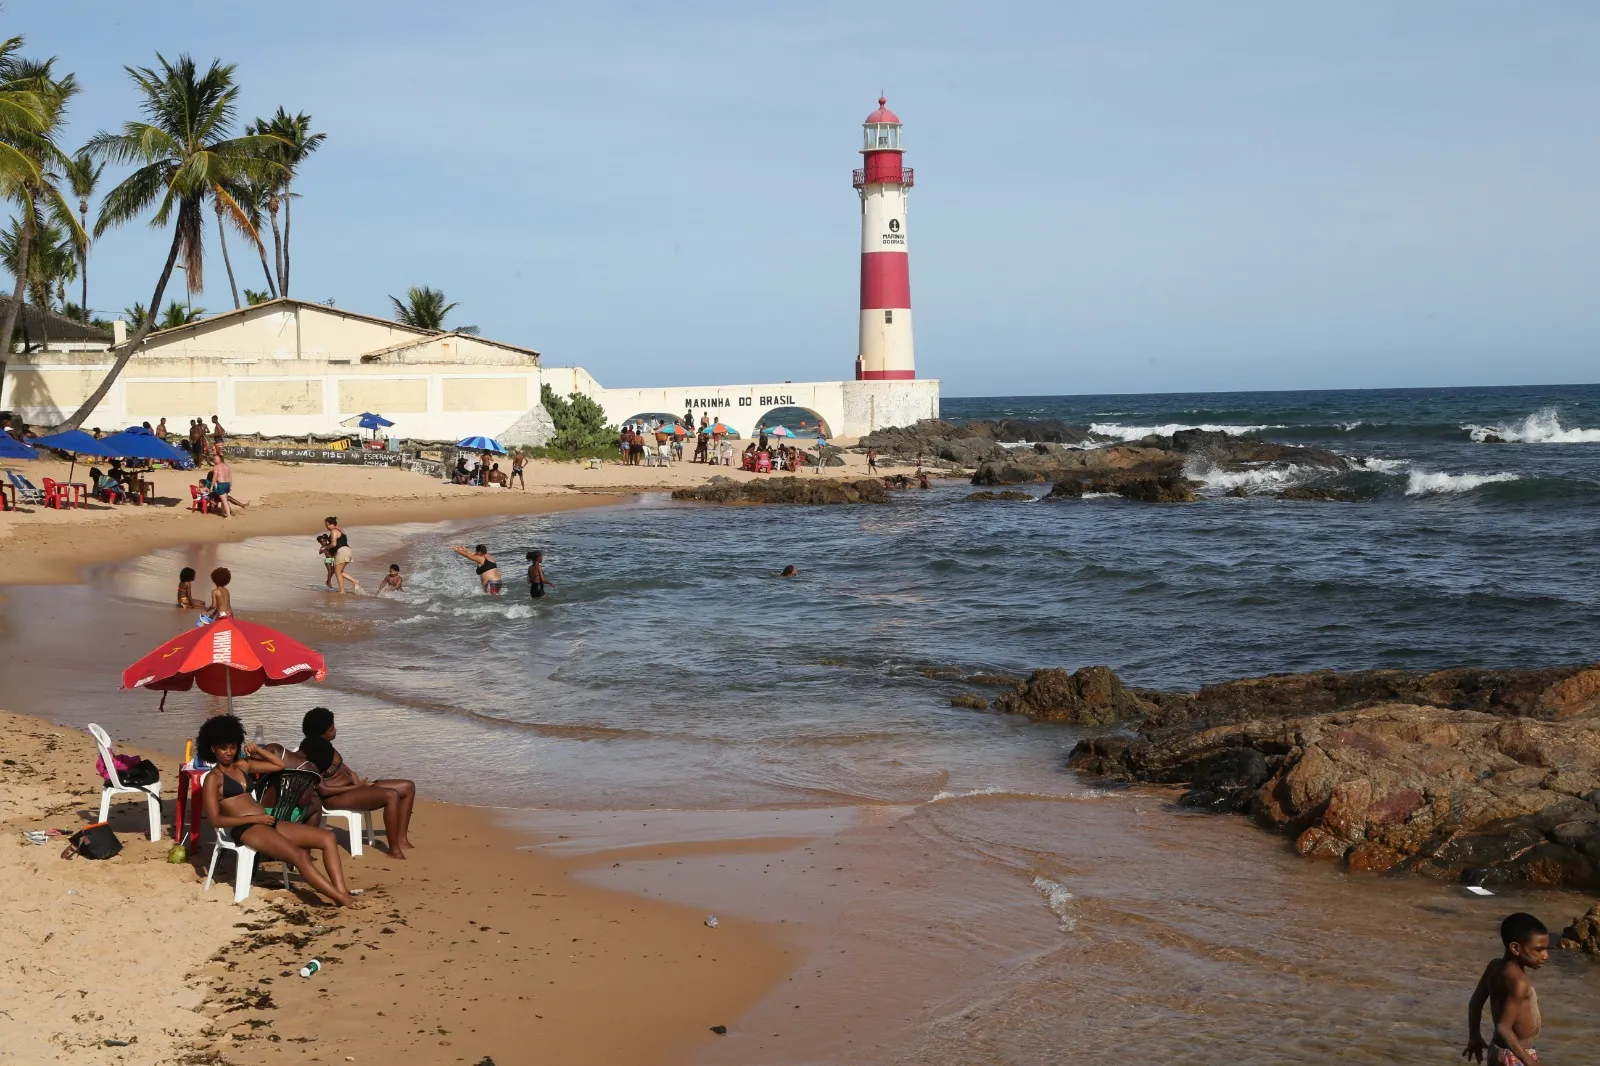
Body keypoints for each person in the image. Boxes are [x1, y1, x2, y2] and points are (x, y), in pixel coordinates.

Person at [197, 713, 354, 906]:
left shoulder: (242, 766)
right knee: (300, 856)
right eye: (223, 748)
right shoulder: (214, 779)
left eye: (232, 746)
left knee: (328, 838)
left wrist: (259, 750)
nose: (228, 752)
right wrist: (254, 820)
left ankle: (341, 891)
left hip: (266, 822)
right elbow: (215, 820)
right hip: (246, 828)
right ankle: (343, 899)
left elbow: (279, 765)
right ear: (212, 748)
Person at [300, 707, 415, 859]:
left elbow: (340, 767)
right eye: (332, 728)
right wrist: (358, 786)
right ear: (323, 732)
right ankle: (393, 850)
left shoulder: (327, 747)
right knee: (391, 795)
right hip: (334, 797)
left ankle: (401, 839)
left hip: (352, 788)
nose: (335, 730)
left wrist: (353, 775)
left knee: (408, 786)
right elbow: (323, 790)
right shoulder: (312, 751)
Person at [1465, 912, 1548, 1065]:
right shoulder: (1520, 982)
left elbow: (1475, 1003)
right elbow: (1503, 1027)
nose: (1545, 955)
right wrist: (1528, 1060)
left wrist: (1474, 1036)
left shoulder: (1494, 967)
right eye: (1539, 949)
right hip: (1515, 1055)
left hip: (1498, 1050)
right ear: (1515, 948)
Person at [325, 517, 361, 594]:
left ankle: (342, 591)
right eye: (326, 525)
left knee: (337, 572)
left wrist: (326, 547)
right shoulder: (340, 529)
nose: (326, 527)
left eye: (328, 525)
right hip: (348, 551)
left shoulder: (334, 531)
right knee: (339, 571)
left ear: (333, 524)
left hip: (341, 552)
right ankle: (354, 581)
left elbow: (334, 544)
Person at [211, 448, 234, 518]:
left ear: (216, 460)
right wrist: (230, 486)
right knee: (224, 499)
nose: (213, 461)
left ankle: (229, 516)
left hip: (221, 484)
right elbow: (230, 477)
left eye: (214, 460)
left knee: (224, 501)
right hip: (227, 484)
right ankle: (223, 512)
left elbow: (214, 477)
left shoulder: (216, 467)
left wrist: (212, 486)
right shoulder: (227, 466)